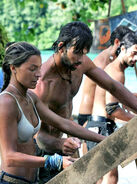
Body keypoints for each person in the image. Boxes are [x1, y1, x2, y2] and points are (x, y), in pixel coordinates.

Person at [31, 21, 137, 182]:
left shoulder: (80, 63)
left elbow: (113, 87)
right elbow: (39, 137)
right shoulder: (42, 83)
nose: (81, 59)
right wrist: (59, 143)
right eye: (77, 52)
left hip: (69, 141)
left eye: (85, 52)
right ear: (61, 47)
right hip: (43, 152)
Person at [0, 41, 108, 184]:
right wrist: (54, 161)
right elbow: (9, 157)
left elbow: (63, 123)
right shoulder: (6, 103)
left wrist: (103, 140)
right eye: (32, 69)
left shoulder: (30, 98)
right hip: (11, 181)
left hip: (33, 180)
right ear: (13, 68)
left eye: (39, 68)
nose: (38, 74)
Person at [85, 32, 137, 184]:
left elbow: (122, 100)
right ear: (122, 49)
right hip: (102, 126)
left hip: (98, 125)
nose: (136, 59)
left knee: (101, 178)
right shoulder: (117, 72)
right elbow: (112, 109)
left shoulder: (115, 68)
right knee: (109, 177)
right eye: (134, 53)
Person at [78, 25, 134, 126]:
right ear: (118, 43)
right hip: (89, 116)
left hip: (100, 116)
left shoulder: (114, 62)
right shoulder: (102, 64)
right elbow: (103, 101)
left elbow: (116, 94)